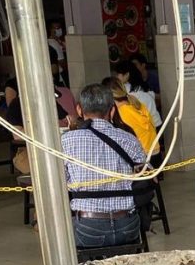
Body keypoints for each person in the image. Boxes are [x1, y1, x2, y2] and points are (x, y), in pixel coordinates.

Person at [61, 82, 145, 249]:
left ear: (79, 110)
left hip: (88, 229)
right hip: (127, 227)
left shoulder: (66, 141)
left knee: (61, 233)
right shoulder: (129, 139)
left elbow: (62, 182)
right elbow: (145, 174)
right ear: (112, 111)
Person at [114, 59, 161, 128]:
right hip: (151, 128)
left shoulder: (131, 92)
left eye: (118, 74)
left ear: (126, 75)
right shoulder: (142, 90)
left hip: (145, 129)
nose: (116, 77)